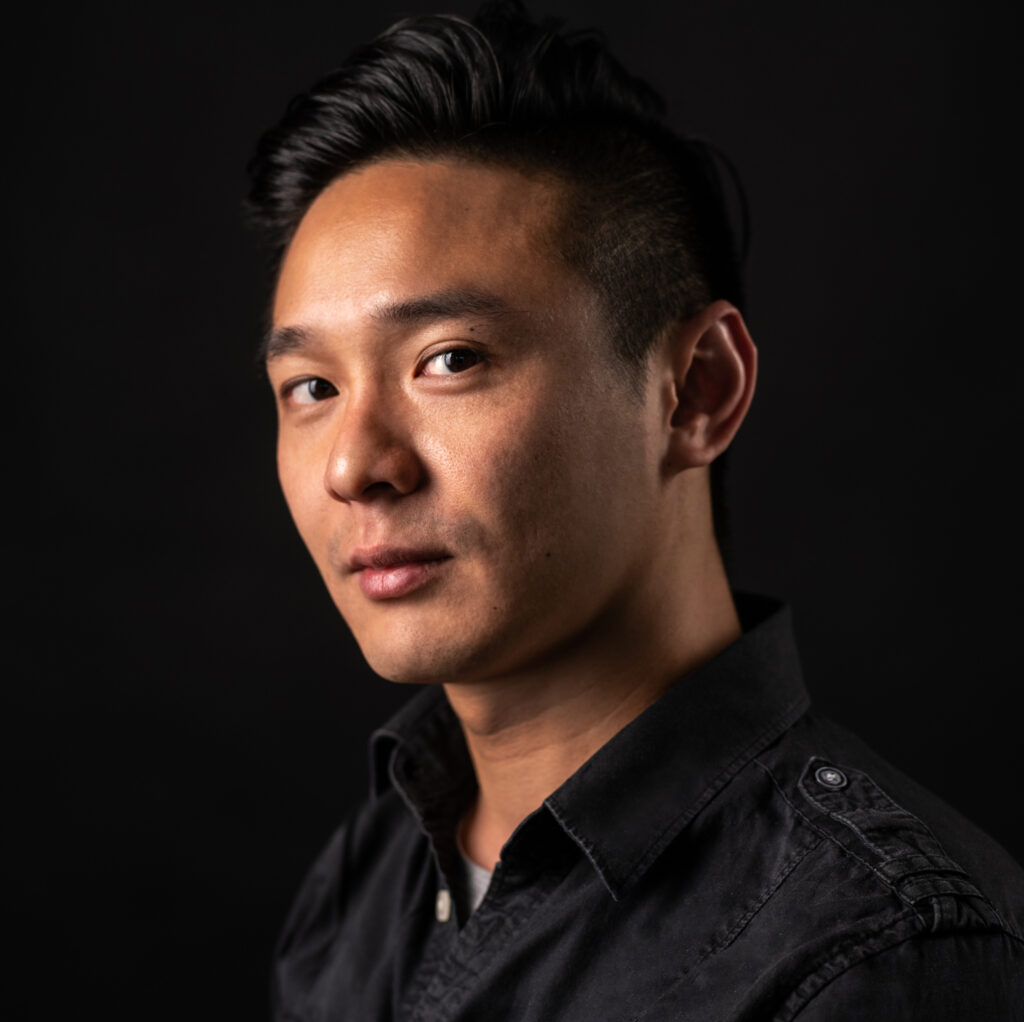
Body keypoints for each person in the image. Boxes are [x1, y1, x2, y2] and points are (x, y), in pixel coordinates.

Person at [246, 3, 1024, 1018]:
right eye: (310, 386)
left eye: (449, 359)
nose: (354, 463)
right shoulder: (361, 880)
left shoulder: (875, 948)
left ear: (695, 389)